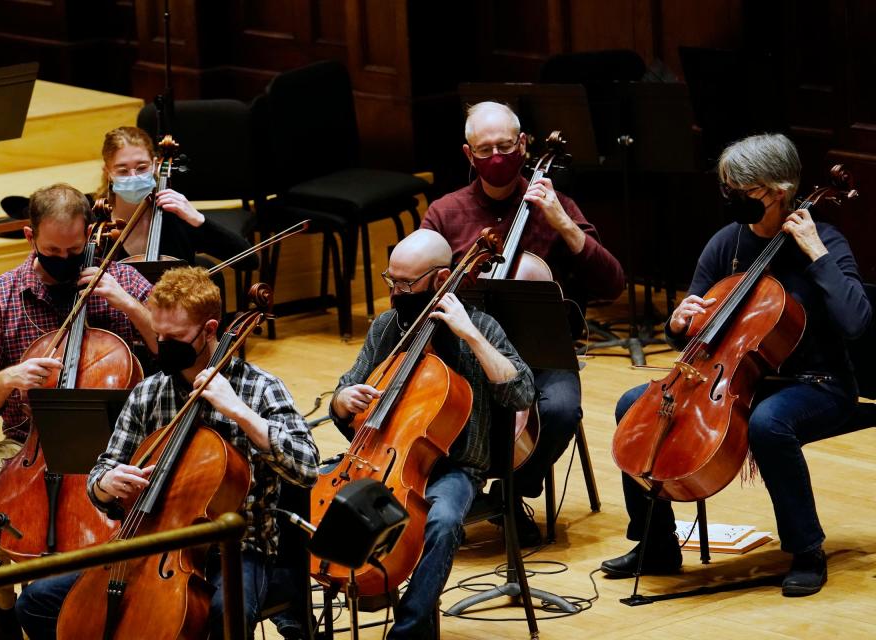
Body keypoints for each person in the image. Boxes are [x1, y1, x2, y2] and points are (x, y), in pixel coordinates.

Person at [600, 133, 872, 597]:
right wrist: (679, 321)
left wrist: (817, 255)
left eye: (744, 191)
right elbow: (693, 324)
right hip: (732, 379)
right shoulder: (727, 242)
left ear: (779, 190)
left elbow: (857, 321)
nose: (733, 199)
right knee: (633, 405)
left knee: (769, 424)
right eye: (729, 189)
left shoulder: (824, 239)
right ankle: (656, 544)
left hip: (817, 382)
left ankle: (806, 550)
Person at [15, 266, 320, 639]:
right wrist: (108, 483)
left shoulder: (260, 389)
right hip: (147, 542)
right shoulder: (148, 393)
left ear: (210, 330)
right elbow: (101, 472)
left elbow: (307, 466)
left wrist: (241, 414)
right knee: (36, 600)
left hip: (237, 550)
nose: (162, 346)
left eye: (174, 337)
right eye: (158, 335)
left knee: (225, 614)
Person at [0, 183, 157, 638]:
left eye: (74, 249)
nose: (64, 259)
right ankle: (0, 605)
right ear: (30, 238)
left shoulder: (120, 278)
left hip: (120, 443)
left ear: (89, 236)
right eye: (52, 250)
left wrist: (125, 303)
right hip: (30, 443)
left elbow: (179, 346)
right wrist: (4, 380)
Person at [421, 101, 625, 545]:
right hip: (468, 353)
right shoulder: (444, 213)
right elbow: (416, 288)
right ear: (468, 154)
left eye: (506, 146)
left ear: (524, 145)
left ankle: (510, 493)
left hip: (541, 355)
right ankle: (452, 492)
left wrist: (564, 224)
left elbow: (613, 284)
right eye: (485, 148)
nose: (497, 157)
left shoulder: (556, 205)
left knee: (560, 409)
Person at [329, 229, 535, 639]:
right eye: (391, 281)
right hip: (382, 460)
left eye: (406, 284)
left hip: (455, 470)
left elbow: (522, 390)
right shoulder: (388, 326)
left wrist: (471, 336)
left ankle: (408, 630)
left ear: (441, 280)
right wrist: (343, 399)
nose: (395, 294)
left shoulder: (480, 327)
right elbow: (345, 390)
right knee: (314, 502)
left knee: (440, 522)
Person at [97, 126, 253, 267]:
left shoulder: (174, 214)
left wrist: (199, 220)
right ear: (108, 172)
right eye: (122, 171)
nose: (134, 176)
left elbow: (249, 261)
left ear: (156, 165)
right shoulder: (95, 222)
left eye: (142, 167)